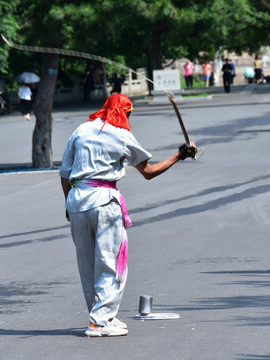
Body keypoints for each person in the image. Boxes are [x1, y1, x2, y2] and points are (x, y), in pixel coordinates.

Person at [59, 94, 197, 337]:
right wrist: (179, 155)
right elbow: (149, 171)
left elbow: (64, 173)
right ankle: (100, 322)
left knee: (87, 264)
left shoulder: (81, 130)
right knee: (110, 263)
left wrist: (69, 205)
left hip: (77, 200)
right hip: (104, 201)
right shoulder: (121, 135)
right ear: (126, 112)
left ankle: (100, 316)